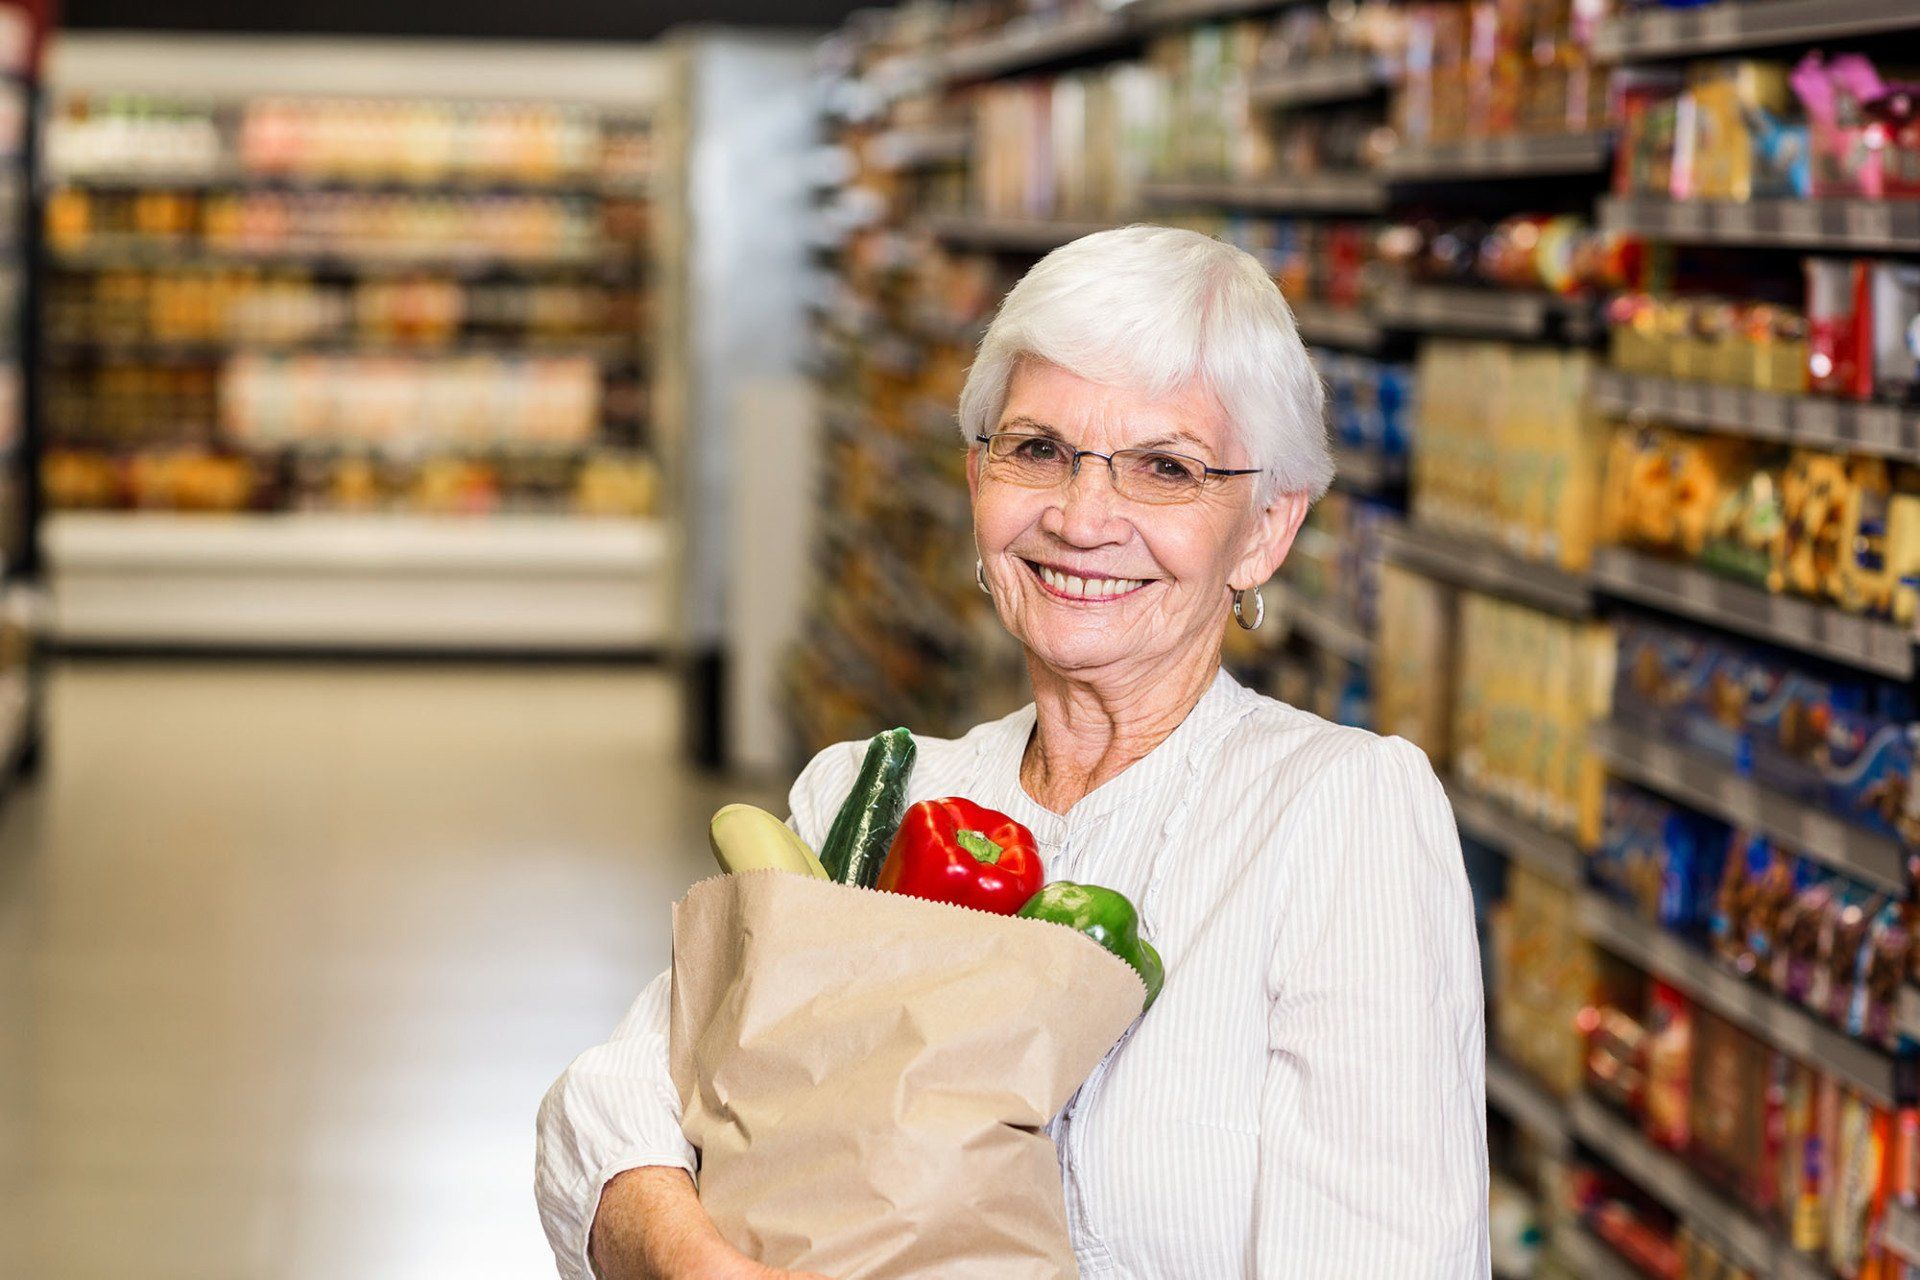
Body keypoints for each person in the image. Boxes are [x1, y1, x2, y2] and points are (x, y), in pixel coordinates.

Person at [536, 224, 1490, 1279]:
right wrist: (692, 1260)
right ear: (977, 476)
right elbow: (612, 1107)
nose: (1084, 518)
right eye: (1037, 449)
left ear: (1265, 529)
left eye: (1164, 467)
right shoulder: (871, 794)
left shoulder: (1337, 813)